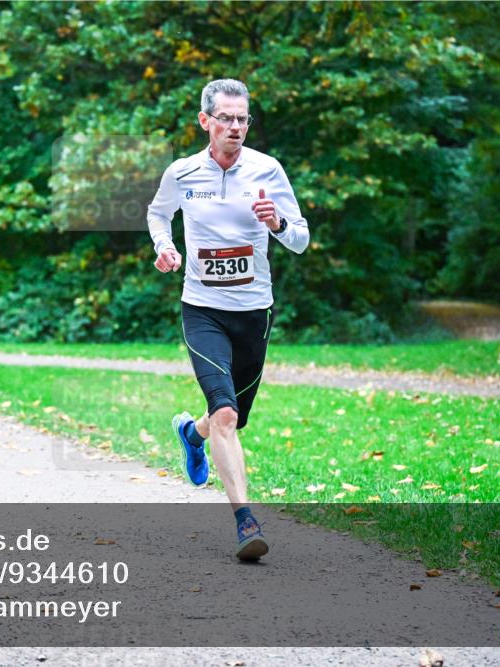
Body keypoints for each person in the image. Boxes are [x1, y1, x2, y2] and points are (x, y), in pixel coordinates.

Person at [147, 78, 309, 561]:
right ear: (206, 121)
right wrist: (165, 246)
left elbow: (300, 239)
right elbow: (158, 215)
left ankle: (189, 434)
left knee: (229, 418)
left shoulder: (267, 169)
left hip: (254, 311)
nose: (235, 127)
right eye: (226, 118)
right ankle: (246, 521)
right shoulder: (182, 172)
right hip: (202, 309)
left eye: (242, 119)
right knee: (226, 414)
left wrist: (276, 222)